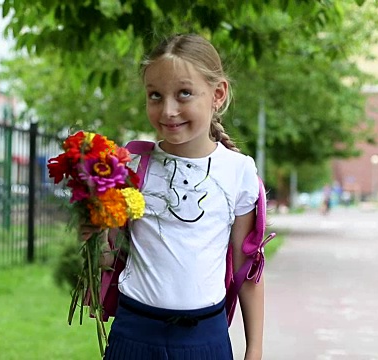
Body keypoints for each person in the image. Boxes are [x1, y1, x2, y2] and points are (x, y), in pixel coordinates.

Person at [81, 34, 264, 359]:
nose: (168, 110)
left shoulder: (239, 171)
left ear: (217, 94)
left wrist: (255, 350)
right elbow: (110, 253)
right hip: (134, 335)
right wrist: (93, 240)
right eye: (155, 95)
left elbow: (246, 268)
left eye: (184, 93)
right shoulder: (131, 164)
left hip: (206, 340)